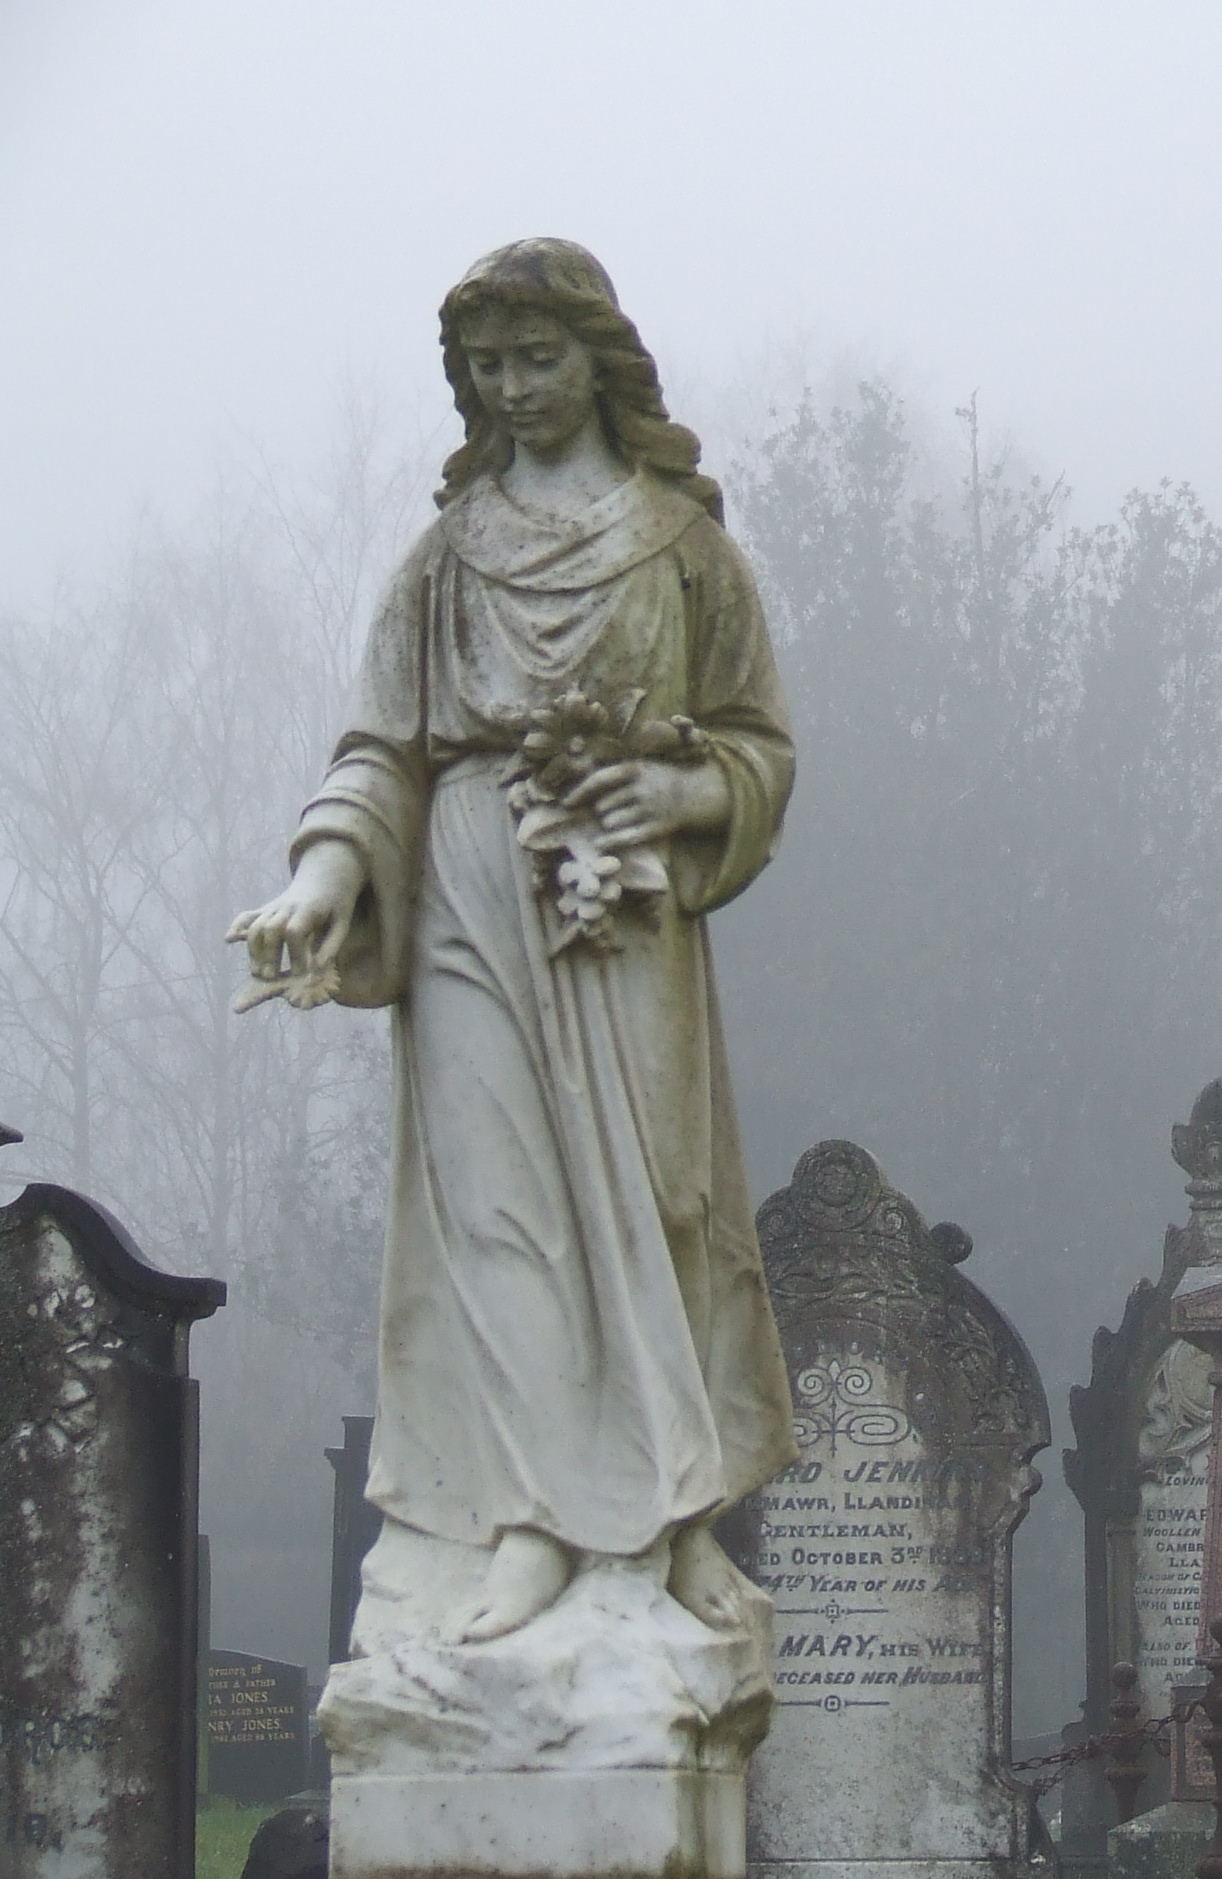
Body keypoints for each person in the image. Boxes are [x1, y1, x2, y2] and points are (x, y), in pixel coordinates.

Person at [230, 238, 796, 1645]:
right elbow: (380, 751)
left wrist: (674, 791)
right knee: (498, 1218)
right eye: (488, 369)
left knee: (658, 1208)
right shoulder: (446, 558)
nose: (515, 388)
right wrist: (320, 880)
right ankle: (535, 1519)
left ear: (601, 362)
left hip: (622, 910)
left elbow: (759, 750)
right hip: (471, 899)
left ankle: (671, 1519)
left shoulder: (685, 550)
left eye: (538, 359)